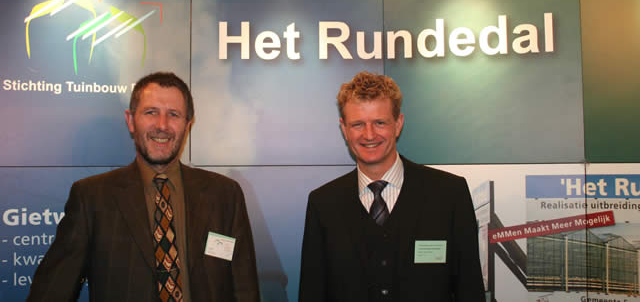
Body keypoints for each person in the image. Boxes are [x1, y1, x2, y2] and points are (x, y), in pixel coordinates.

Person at [27, 72, 260, 302]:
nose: (162, 125)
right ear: (130, 121)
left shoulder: (225, 195)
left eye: (174, 114)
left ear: (188, 125)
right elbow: (51, 291)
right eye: (151, 112)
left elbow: (245, 290)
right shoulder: (91, 198)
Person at [299, 71, 485, 302]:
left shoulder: (449, 195)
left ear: (398, 124)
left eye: (380, 123)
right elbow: (312, 293)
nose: (369, 135)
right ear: (344, 129)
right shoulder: (323, 203)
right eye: (358, 124)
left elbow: (470, 289)